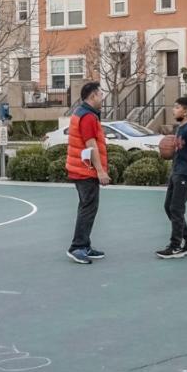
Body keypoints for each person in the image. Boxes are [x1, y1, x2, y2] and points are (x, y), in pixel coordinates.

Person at [65, 81, 109, 265]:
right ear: (92, 96)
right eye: (100, 94)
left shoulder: (81, 112)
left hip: (80, 168)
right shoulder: (88, 117)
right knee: (87, 208)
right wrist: (100, 171)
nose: (102, 97)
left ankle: (85, 244)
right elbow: (91, 145)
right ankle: (78, 247)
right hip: (85, 170)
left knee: (87, 207)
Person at [157, 95, 187, 259]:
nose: (173, 109)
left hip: (186, 175)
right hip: (176, 173)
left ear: (185, 111)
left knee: (176, 209)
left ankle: (175, 246)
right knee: (168, 207)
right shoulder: (180, 128)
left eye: (177, 107)